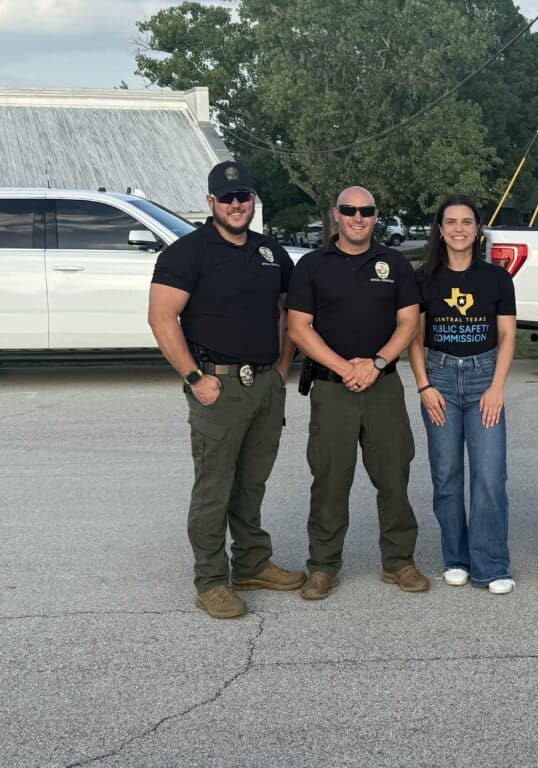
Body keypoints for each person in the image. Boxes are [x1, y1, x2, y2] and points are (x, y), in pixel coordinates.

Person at [148, 160, 305, 620]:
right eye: (227, 198)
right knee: (214, 488)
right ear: (211, 202)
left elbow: (291, 311)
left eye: (243, 197)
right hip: (217, 386)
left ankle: (252, 564)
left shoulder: (270, 252)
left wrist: (282, 366)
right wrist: (194, 378)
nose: (236, 205)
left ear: (252, 200)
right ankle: (212, 581)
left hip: (265, 384)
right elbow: (161, 318)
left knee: (252, 483)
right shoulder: (186, 253)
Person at [286, 185, 428, 599]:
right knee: (330, 480)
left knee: (394, 476)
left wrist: (376, 363)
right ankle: (323, 566)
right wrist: (345, 367)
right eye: (349, 210)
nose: (357, 218)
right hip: (333, 389)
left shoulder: (394, 263)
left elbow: (409, 322)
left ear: (376, 215)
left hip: (383, 387)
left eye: (366, 211)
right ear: (335, 213)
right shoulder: (312, 266)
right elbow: (298, 328)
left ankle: (399, 561)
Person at [407, 195, 517, 595]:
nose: (459, 229)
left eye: (466, 222)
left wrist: (497, 387)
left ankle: (491, 564)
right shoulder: (423, 278)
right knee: (447, 475)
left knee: (489, 474)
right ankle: (456, 558)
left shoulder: (496, 279)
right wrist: (424, 386)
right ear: (440, 230)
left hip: (483, 379)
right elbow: (414, 338)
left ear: (477, 229)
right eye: (451, 222)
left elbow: (507, 335)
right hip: (439, 380)